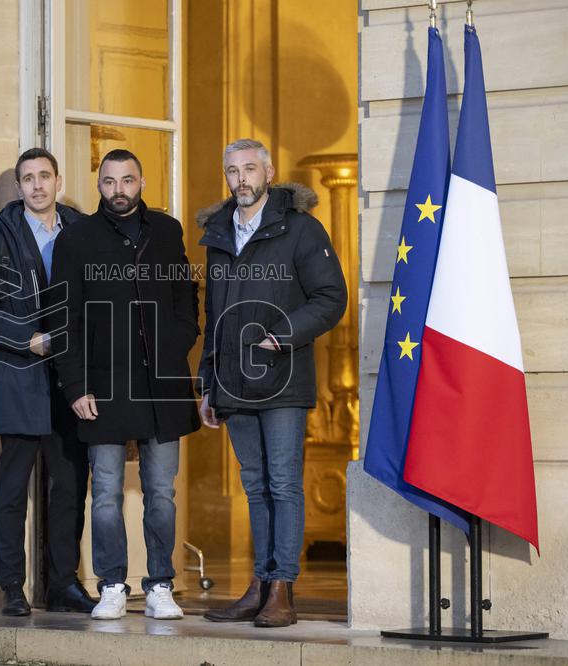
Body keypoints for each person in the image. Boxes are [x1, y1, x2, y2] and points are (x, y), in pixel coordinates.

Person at [197, 138, 346, 628]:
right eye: (233, 170)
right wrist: (207, 383)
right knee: (255, 486)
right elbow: (213, 314)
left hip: (282, 377)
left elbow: (331, 297)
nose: (241, 178)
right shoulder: (218, 235)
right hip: (233, 383)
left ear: (268, 172)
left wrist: (281, 337)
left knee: (283, 483)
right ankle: (259, 585)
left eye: (250, 169)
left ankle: (282, 587)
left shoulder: (301, 230)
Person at [48, 149, 200, 620]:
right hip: (102, 386)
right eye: (110, 181)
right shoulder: (75, 239)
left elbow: (184, 296)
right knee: (107, 491)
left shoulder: (167, 230)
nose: (119, 190)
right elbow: (64, 317)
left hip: (162, 382)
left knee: (161, 491)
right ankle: (112, 583)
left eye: (127, 180)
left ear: (141, 181)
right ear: (99, 185)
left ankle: (159, 585)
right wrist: (74, 387)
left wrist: (179, 340)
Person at [0, 148, 95, 616]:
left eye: (44, 176)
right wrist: (29, 338)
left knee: (69, 486)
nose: (37, 185)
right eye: (28, 179)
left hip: (70, 382)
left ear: (58, 181)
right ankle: (13, 588)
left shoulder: (83, 230)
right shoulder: (0, 237)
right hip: (20, 377)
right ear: (18, 188)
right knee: (12, 489)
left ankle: (63, 584)